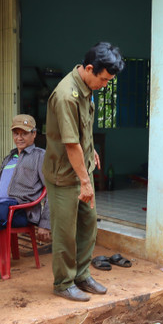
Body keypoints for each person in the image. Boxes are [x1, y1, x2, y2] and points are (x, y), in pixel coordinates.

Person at [43, 42, 124, 301]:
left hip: (80, 168)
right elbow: (70, 143)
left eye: (109, 81)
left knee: (88, 226)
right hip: (65, 176)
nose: (105, 85)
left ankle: (81, 274)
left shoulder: (87, 87)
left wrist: (92, 152)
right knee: (66, 232)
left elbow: (82, 133)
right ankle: (64, 282)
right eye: (103, 79)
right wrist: (86, 182)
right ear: (89, 69)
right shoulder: (67, 94)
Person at [0, 114, 51, 282]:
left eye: (24, 133)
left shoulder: (40, 156)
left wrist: (45, 223)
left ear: (34, 134)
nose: (19, 137)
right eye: (16, 133)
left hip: (17, 210)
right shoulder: (10, 157)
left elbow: (52, 190)